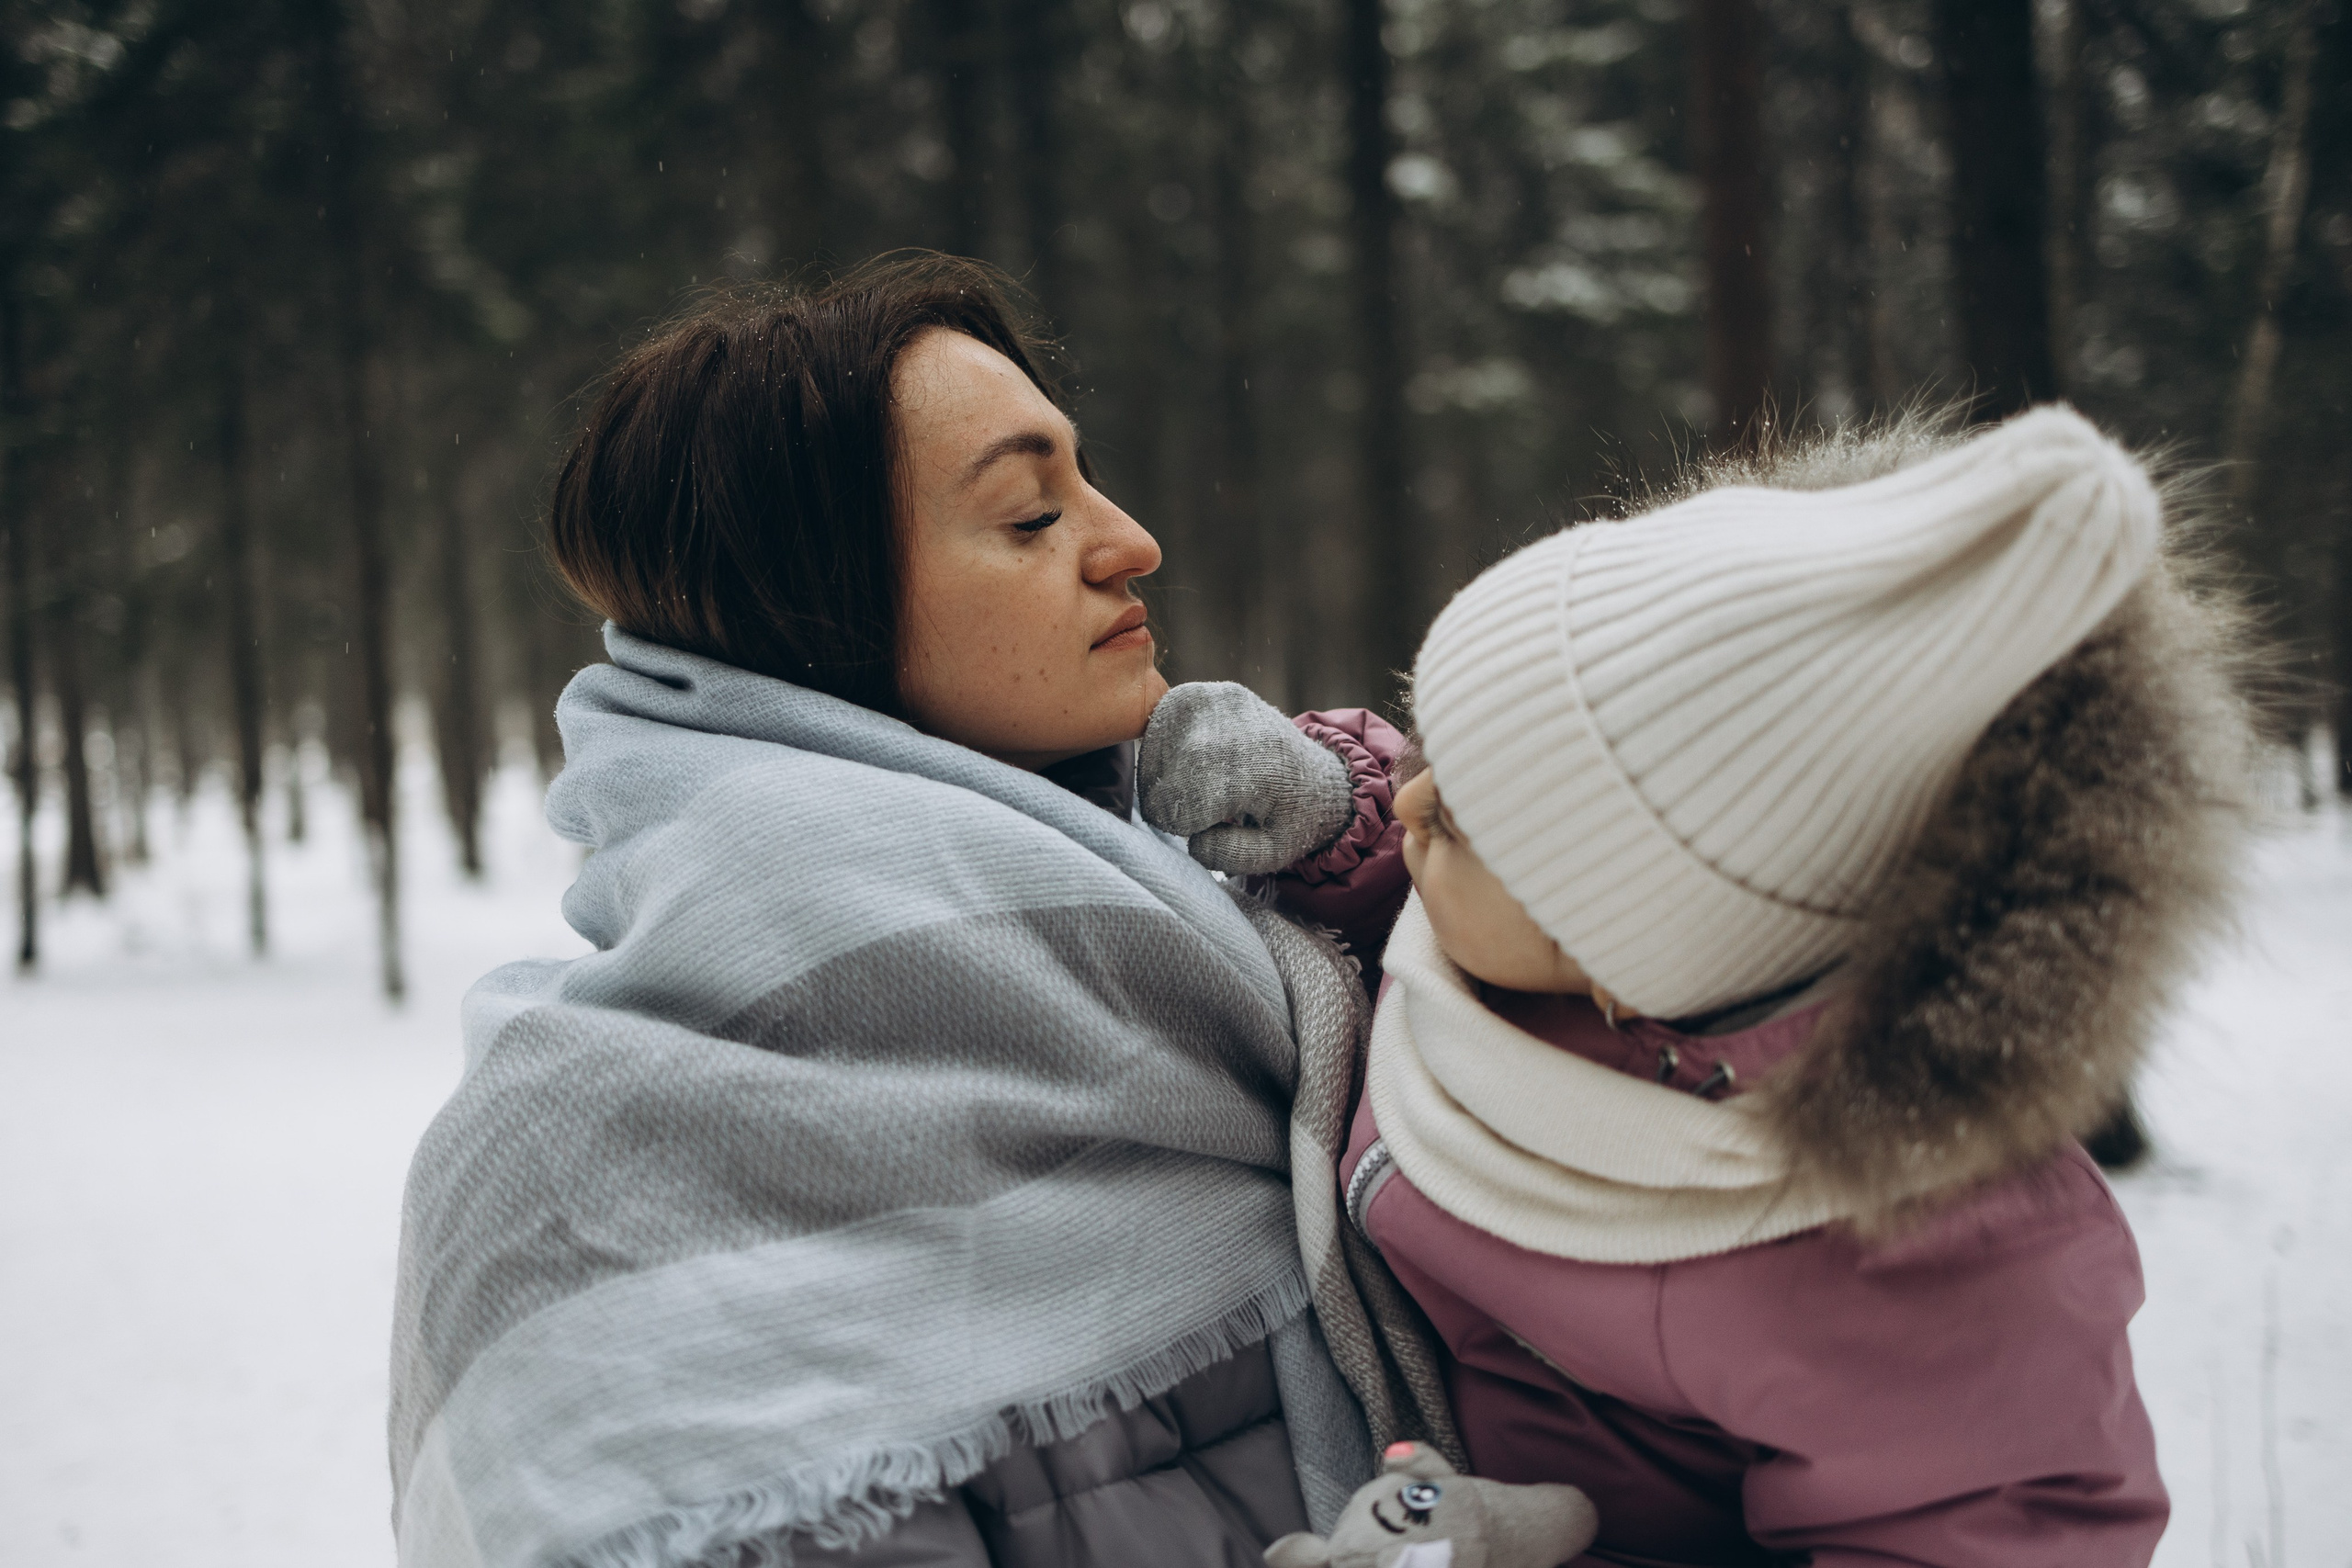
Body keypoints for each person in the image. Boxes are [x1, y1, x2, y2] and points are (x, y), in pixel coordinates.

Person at [387, 256, 1398, 1568]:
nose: (1131, 539)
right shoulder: (583, 1156)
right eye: (1032, 514)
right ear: (819, 614)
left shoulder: (1206, 933)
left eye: (1085, 478)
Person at [1137, 408, 2255, 1566]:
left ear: (1625, 952)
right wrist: (1341, 810)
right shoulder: (1556, 931)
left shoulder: (1917, 1277)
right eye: (1434, 749)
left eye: (1458, 813)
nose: (1419, 804)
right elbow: (1458, 894)